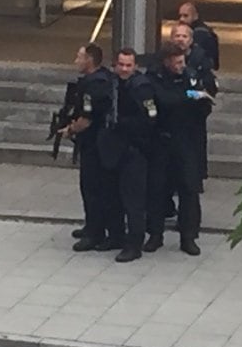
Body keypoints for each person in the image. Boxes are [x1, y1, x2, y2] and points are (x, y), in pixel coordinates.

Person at [145, 44, 210, 256]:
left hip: (186, 141)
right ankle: (155, 235)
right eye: (178, 62)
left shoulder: (190, 76)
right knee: (156, 190)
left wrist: (193, 98)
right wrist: (189, 97)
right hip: (161, 141)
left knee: (189, 190)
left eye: (183, 61)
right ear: (167, 62)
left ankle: (188, 237)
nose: (182, 66)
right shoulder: (154, 77)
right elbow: (163, 100)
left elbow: (205, 103)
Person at [97, 48, 157, 263]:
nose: (124, 69)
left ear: (135, 66)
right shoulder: (111, 84)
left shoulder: (142, 88)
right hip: (112, 148)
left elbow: (150, 119)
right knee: (111, 196)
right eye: (121, 65)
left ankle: (134, 244)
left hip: (134, 150)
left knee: (133, 201)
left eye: (128, 65)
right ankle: (115, 236)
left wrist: (123, 124)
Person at [62, 44, 116, 252]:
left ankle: (95, 232)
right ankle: (92, 226)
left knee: (92, 188)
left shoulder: (94, 85)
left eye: (79, 57)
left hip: (96, 144)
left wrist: (70, 130)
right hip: (98, 142)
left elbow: (87, 118)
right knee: (93, 188)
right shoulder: (104, 78)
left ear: (89, 60)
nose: (76, 60)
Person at [169, 22, 218, 186]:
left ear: (191, 40)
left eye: (184, 36)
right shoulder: (163, 58)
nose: (180, 40)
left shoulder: (200, 59)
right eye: (177, 36)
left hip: (193, 116)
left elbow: (209, 83)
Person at [178, 1, 220, 71]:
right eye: (180, 16)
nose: (181, 19)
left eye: (186, 16)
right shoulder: (203, 31)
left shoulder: (201, 34)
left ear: (195, 16)